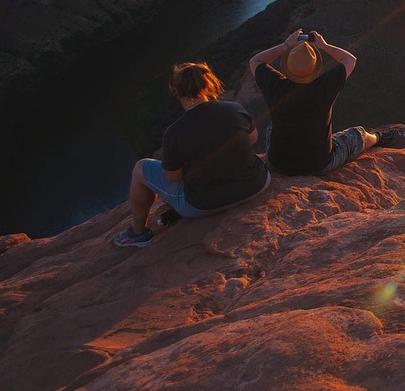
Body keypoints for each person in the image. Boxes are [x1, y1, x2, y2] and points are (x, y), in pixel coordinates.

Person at [114, 62, 271, 247]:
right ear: (209, 84)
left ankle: (138, 233)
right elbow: (252, 139)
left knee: (140, 168)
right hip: (256, 185)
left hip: (204, 204)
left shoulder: (175, 132)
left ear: (176, 90)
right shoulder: (234, 108)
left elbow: (172, 176)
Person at [249, 29, 388, 176]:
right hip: (319, 164)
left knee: (272, 128)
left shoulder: (274, 84)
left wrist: (286, 45)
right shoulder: (324, 86)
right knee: (359, 134)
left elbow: (255, 61)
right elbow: (350, 59)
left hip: (277, 164)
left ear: (288, 66)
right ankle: (380, 137)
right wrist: (323, 45)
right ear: (314, 68)